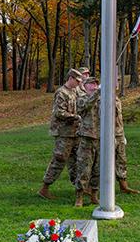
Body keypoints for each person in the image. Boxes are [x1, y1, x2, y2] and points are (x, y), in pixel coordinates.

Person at [38, 69, 83, 200]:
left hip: (75, 132)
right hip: (64, 133)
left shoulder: (76, 91)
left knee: (76, 161)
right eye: (77, 81)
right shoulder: (61, 93)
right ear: (70, 78)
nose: (78, 84)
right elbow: (59, 112)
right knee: (59, 160)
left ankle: (79, 187)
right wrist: (76, 117)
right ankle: (44, 188)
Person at [74, 77, 100, 207]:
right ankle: (79, 196)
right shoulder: (82, 98)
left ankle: (94, 195)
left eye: (96, 84)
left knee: (98, 169)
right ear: (84, 86)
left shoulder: (101, 98)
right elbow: (85, 106)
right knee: (84, 168)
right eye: (91, 83)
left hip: (100, 138)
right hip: (86, 137)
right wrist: (97, 93)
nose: (94, 86)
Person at [113, 97, 139, 194]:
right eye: (115, 81)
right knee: (101, 162)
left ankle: (123, 186)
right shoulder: (101, 97)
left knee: (121, 160)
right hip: (106, 134)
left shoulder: (117, 99)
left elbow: (119, 119)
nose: (116, 84)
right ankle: (91, 189)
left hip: (119, 133)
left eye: (118, 81)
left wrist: (122, 135)